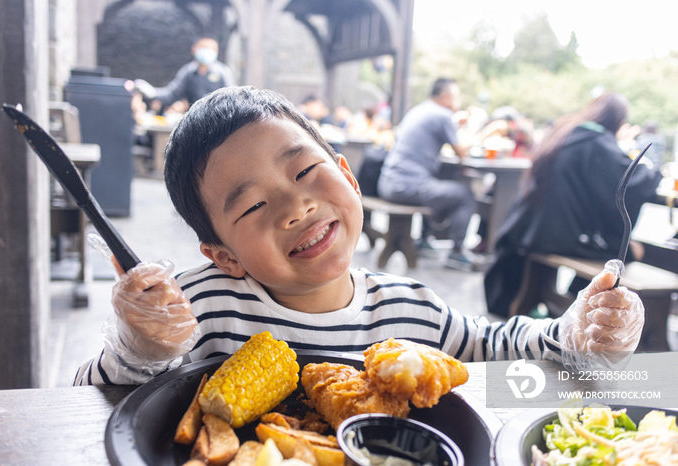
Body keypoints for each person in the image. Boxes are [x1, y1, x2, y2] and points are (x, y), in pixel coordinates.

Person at [72, 86, 644, 386]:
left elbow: (496, 352)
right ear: (222, 254)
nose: (296, 206)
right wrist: (141, 348)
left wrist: (577, 334)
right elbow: (87, 398)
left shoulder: (412, 312)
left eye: (304, 172)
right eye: (252, 205)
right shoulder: (200, 311)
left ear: (347, 174)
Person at [484, 92, 663, 317]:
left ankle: (570, 302)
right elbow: (631, 180)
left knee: (619, 247)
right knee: (629, 250)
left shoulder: (566, 131)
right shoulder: (597, 142)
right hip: (555, 236)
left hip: (530, 229)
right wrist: (651, 170)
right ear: (617, 121)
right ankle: (580, 306)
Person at [377, 78, 477, 269]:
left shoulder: (419, 110)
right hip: (406, 186)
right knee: (465, 195)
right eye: (456, 96)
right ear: (446, 97)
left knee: (437, 183)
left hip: (388, 183)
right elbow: (462, 151)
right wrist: (483, 130)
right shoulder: (443, 115)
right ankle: (456, 253)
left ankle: (424, 241)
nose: (458, 101)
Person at [134, 36, 235, 113]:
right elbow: (172, 94)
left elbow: (231, 99)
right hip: (195, 120)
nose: (207, 51)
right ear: (194, 49)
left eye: (211, 48)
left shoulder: (222, 72)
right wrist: (152, 92)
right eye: (203, 47)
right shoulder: (188, 72)